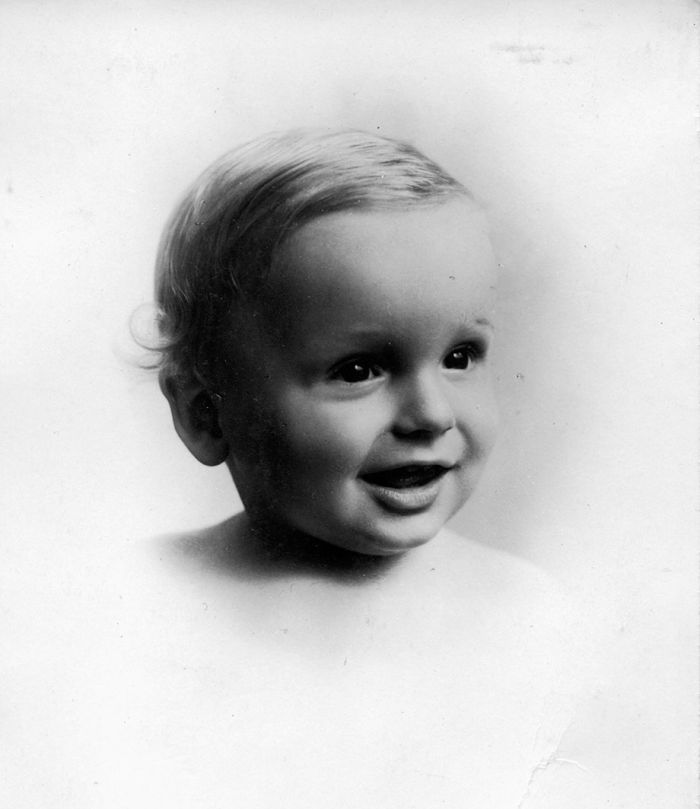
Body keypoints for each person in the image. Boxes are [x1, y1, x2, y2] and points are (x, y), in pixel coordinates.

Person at [130, 129, 595, 808]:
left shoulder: (525, 615)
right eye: (358, 370)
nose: (431, 414)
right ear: (206, 413)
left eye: (460, 357)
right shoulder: (143, 604)